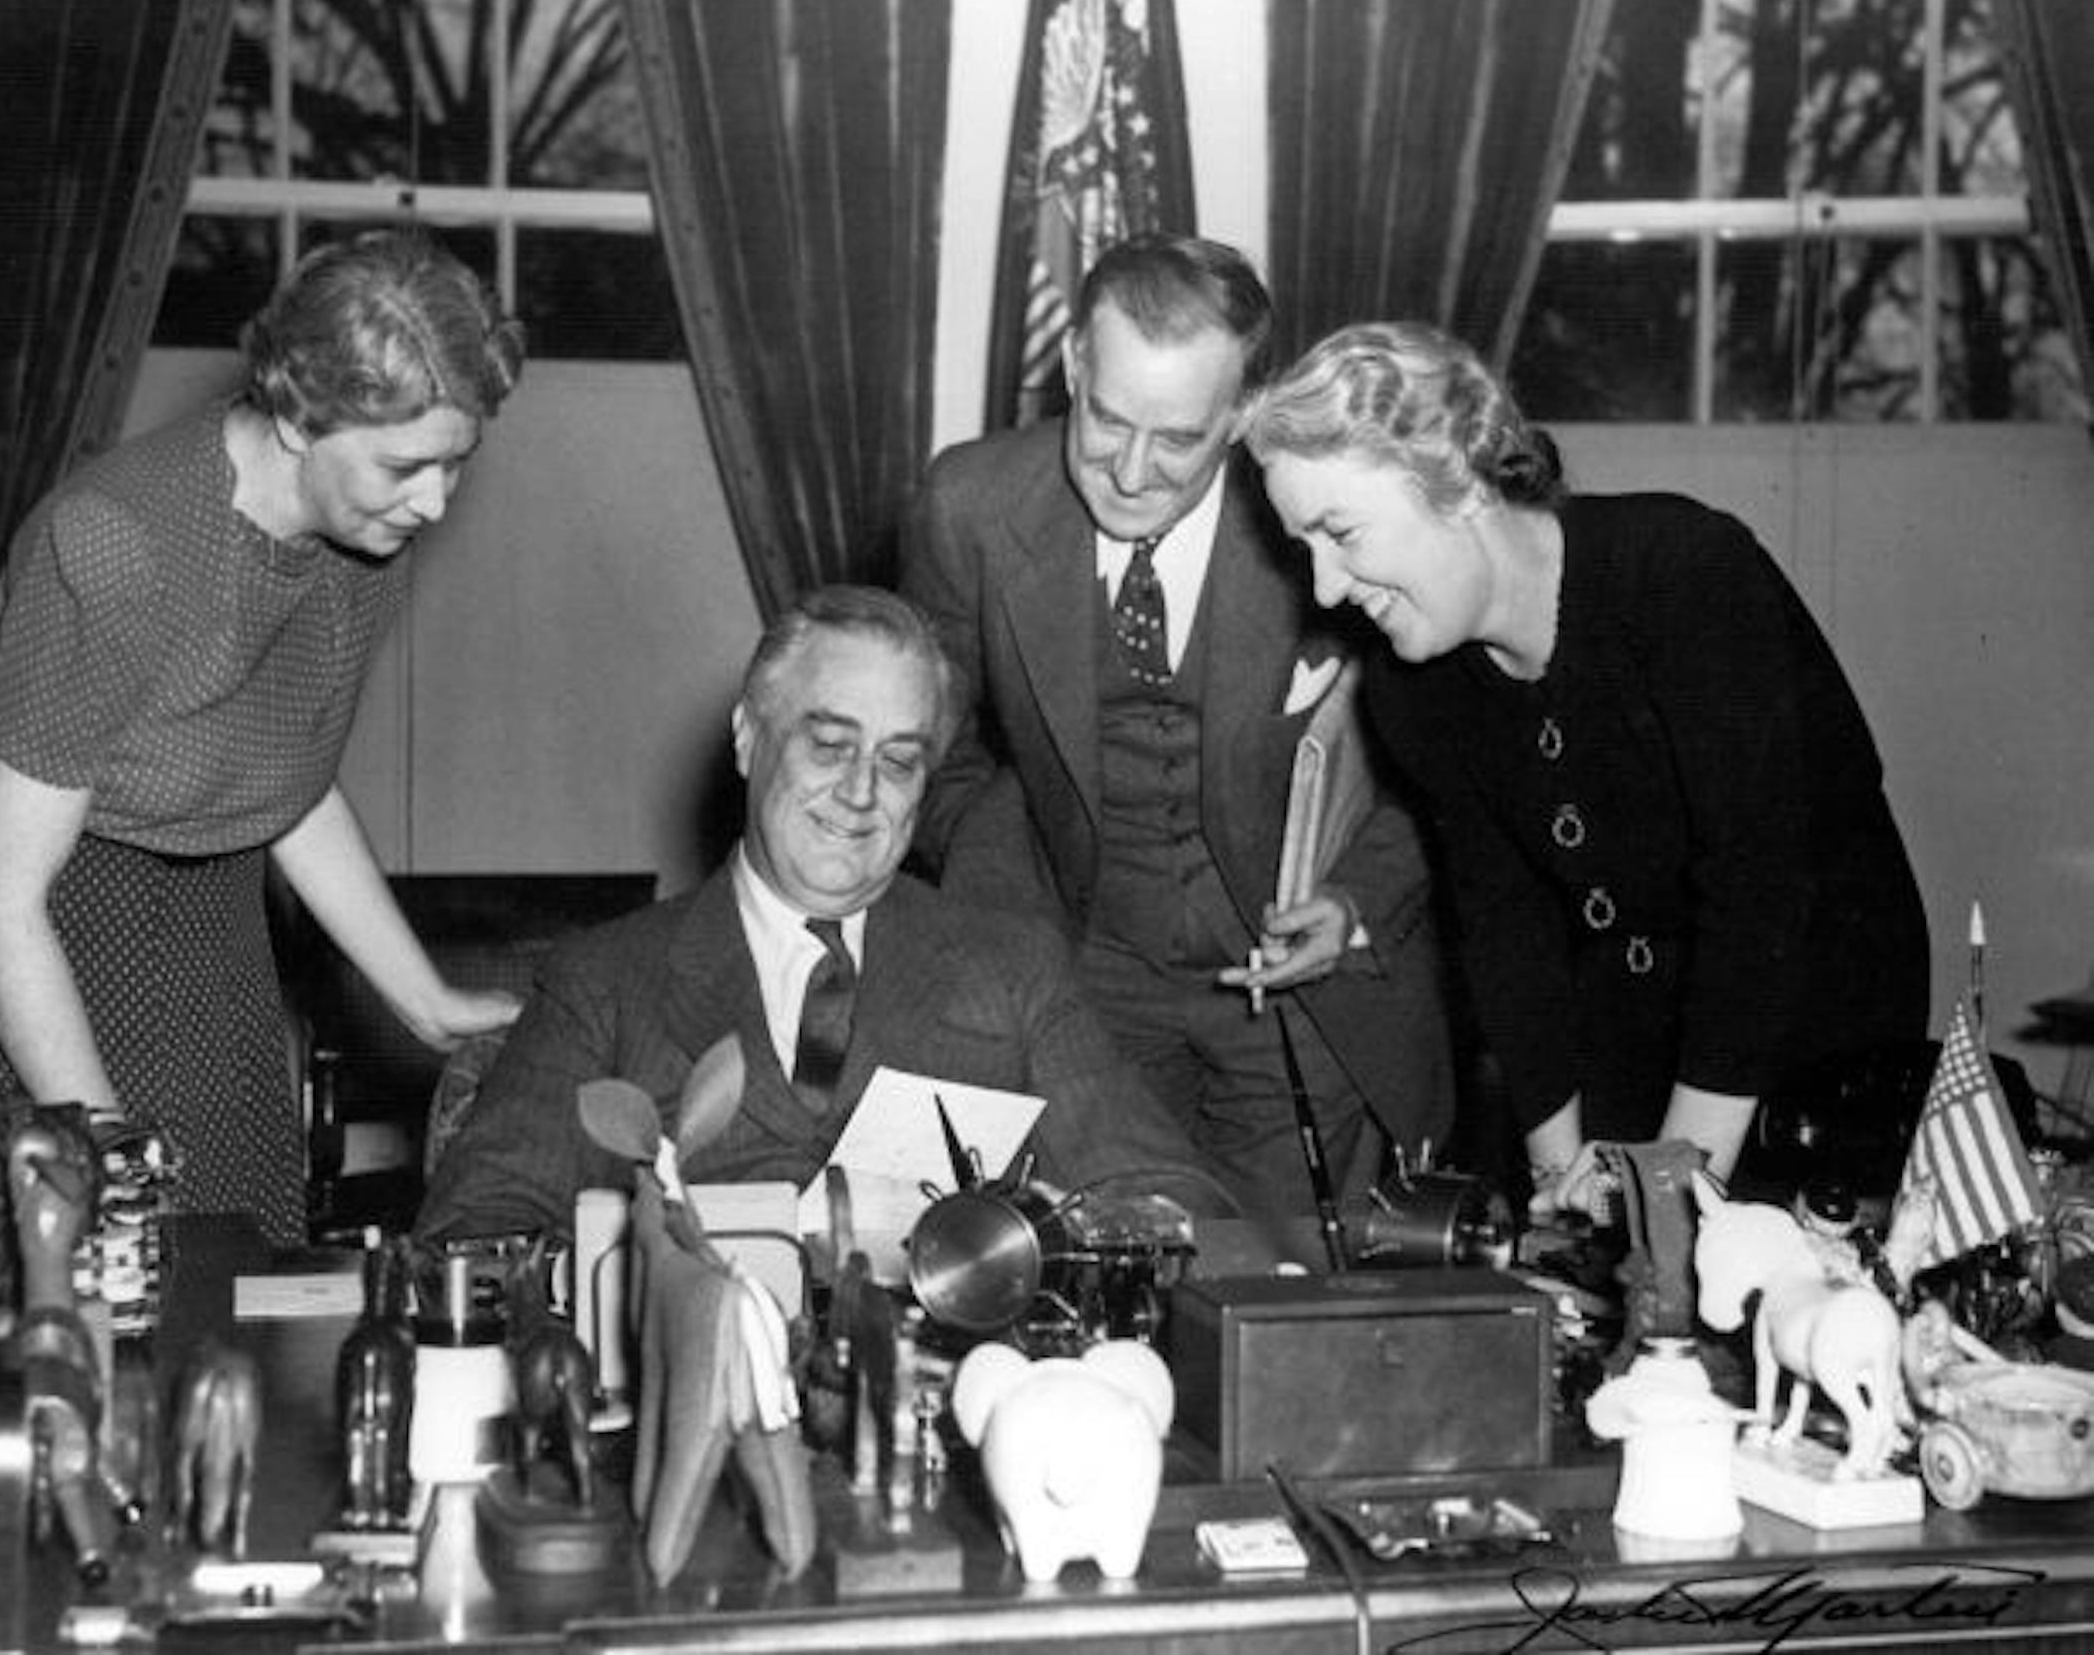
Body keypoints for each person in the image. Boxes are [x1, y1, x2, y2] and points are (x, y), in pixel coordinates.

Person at [1241, 320, 1930, 1213]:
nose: (1328, 588)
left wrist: (1670, 1191)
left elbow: (1761, 895)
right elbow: (1508, 931)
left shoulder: (1687, 573)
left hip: (1818, 1043)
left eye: (1342, 533)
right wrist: (1557, 1180)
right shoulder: (1412, 688)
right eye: (1307, 551)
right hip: (1636, 1039)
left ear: (1454, 477)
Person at [0, 228, 528, 1245]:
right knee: (86, 1287)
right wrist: (107, 1149)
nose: (434, 503)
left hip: (211, 926)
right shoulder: (117, 547)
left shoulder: (360, 541)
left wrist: (420, 998)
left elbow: (286, 784)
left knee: (239, 1273)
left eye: (455, 465)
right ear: (297, 417)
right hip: (40, 930)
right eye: (405, 467)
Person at [901, 233, 1451, 1242]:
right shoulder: (969, 506)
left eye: (1180, 441)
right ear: (1072, 364)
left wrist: (1356, 901)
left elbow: (1442, 757)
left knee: (1282, 1306)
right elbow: (929, 745)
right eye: (1107, 421)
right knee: (1111, 1282)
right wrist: (1003, 868)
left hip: (1295, 997)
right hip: (1081, 982)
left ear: (1243, 414)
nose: (1131, 470)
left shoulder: (1320, 522)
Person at [417, 585, 1239, 1244]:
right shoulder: (602, 980)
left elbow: (1177, 1200)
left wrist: (1052, 1230)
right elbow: (473, 1231)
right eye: (830, 744)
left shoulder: (1013, 969)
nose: (860, 792)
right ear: (748, 738)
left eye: (900, 761)